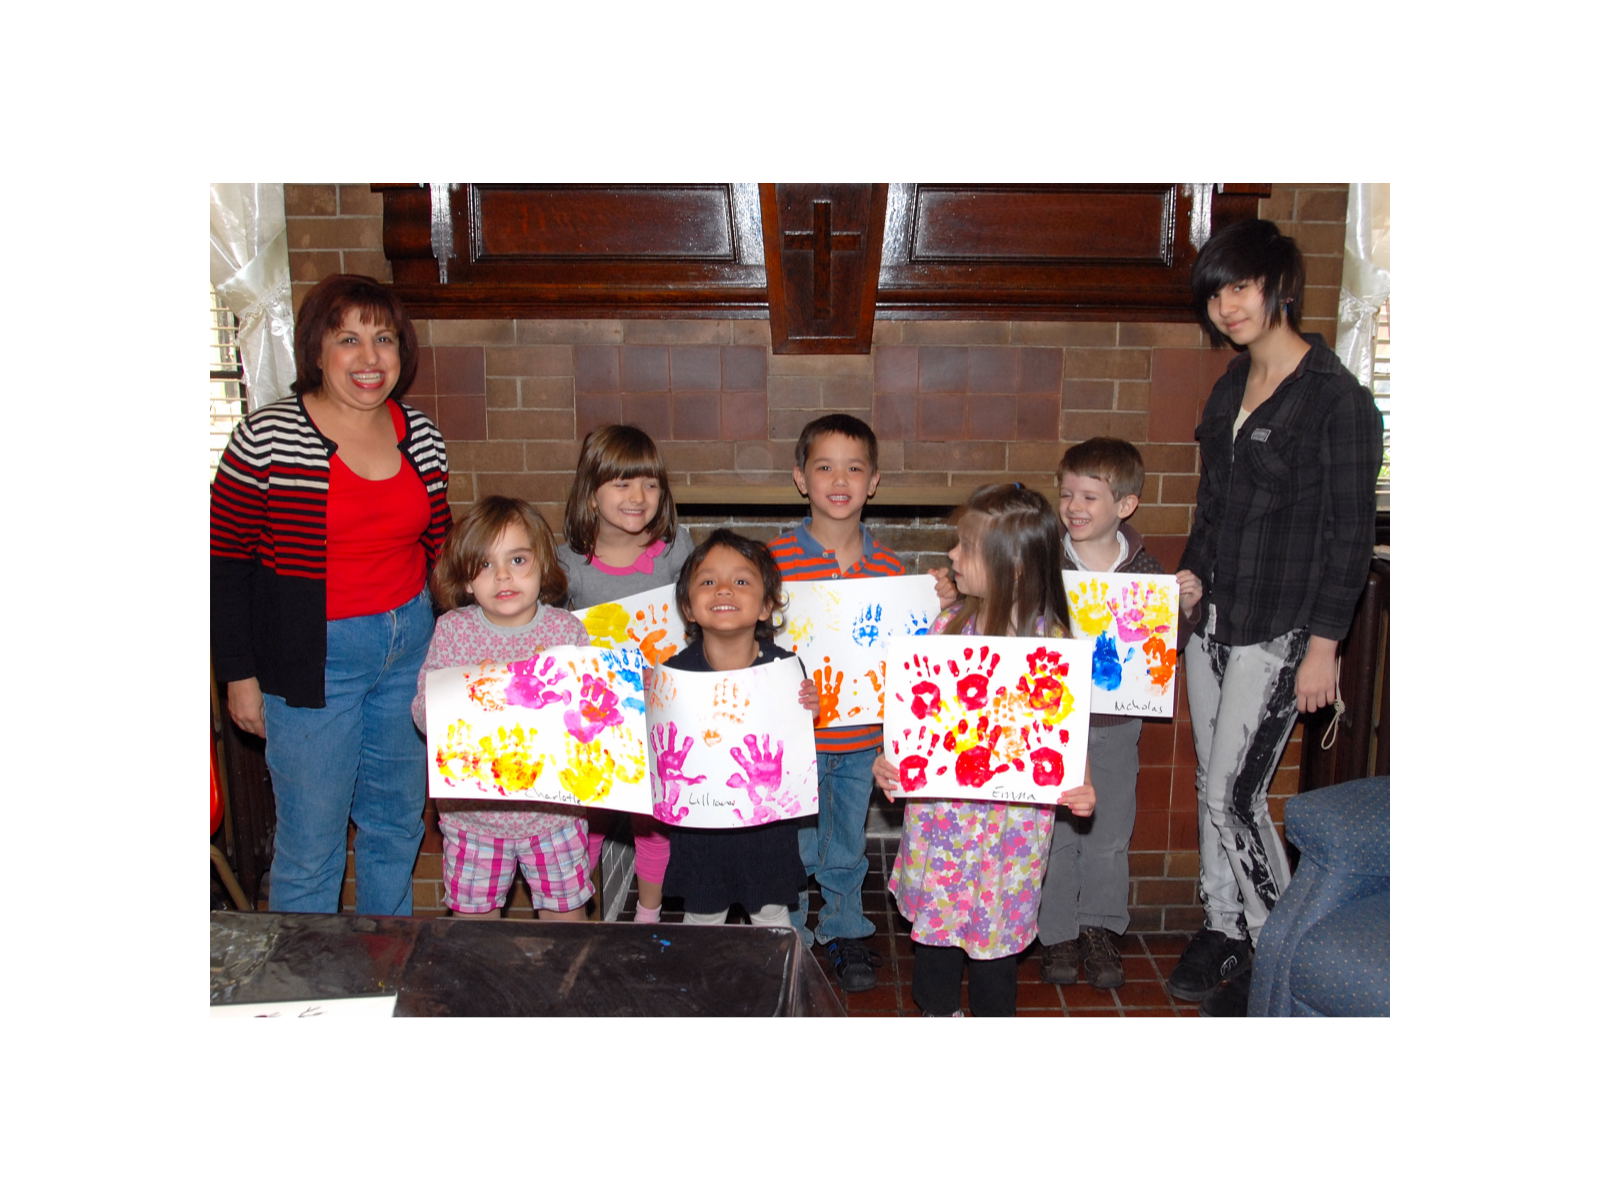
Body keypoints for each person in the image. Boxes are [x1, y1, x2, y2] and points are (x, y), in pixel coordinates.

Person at [1170, 218, 1383, 1016]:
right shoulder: (1232, 384)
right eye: (1215, 294)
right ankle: (1222, 927)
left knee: (1236, 799)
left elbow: (1349, 535)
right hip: (1215, 620)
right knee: (1211, 785)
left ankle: (1277, 954)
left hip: (1283, 628)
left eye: (1241, 287)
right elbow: (1213, 504)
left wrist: (1324, 646)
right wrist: (1191, 577)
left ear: (1279, 287)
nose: (1227, 306)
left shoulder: (1337, 400)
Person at [210, 274, 450, 915]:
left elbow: (438, 545)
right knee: (312, 845)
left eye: (384, 339)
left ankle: (385, 960)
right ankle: (302, 976)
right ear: (317, 350)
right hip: (311, 660)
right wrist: (239, 676)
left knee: (395, 826)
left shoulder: (422, 436)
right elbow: (223, 566)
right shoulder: (266, 438)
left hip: (410, 647)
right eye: (349, 339)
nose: (370, 357)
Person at [873, 484, 1098, 1017]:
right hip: (942, 825)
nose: (952, 554)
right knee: (937, 938)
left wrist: (1083, 783)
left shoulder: (1054, 643)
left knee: (996, 947)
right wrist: (890, 762)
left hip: (1010, 836)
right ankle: (937, 1013)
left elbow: (1067, 730)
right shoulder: (947, 627)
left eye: (967, 546)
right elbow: (915, 718)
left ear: (1013, 565)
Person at [767, 414, 904, 993]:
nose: (839, 480)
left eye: (854, 468)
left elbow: (906, 657)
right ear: (802, 478)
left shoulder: (892, 571)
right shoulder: (771, 563)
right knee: (794, 843)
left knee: (847, 840)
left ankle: (846, 926)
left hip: (861, 739)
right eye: (825, 467)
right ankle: (791, 932)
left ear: (874, 481)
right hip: (794, 739)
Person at [411, 497, 592, 921]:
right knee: (475, 936)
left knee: (568, 926)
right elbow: (421, 712)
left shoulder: (566, 631)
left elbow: (589, 720)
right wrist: (457, 701)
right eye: (484, 564)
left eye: (518, 559)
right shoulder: (453, 632)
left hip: (555, 817)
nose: (503, 575)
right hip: (473, 821)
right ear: (466, 581)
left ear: (543, 565)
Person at [558, 425, 693, 923]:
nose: (638, 497)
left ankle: (648, 917)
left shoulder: (676, 550)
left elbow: (697, 613)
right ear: (590, 492)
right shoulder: (568, 564)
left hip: (662, 709)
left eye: (650, 484)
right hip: (595, 719)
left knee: (653, 821)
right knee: (588, 821)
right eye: (621, 483)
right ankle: (576, 912)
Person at [659, 530, 820, 927]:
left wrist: (808, 710)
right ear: (688, 608)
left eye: (742, 581)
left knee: (771, 916)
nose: (724, 589)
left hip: (766, 832)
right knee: (702, 916)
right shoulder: (672, 675)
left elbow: (794, 745)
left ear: (766, 606)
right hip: (700, 831)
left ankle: (779, 970)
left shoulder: (785, 669)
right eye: (708, 581)